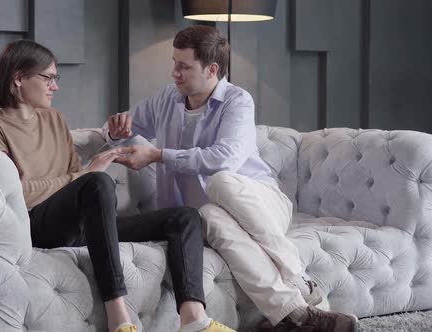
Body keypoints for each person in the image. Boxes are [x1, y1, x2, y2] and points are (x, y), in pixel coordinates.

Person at [0, 39, 235, 332]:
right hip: (33, 224)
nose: (55, 86)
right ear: (18, 78)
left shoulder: (55, 119)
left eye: (56, 79)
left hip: (80, 225)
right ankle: (119, 318)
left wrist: (85, 174)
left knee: (185, 217)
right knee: (97, 180)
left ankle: (193, 320)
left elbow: (73, 176)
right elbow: (10, 194)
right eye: (48, 78)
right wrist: (85, 175)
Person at [105, 25, 358, 332]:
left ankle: (296, 275)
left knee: (221, 181)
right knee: (208, 213)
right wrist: (114, 131)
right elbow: (126, 128)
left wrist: (159, 155)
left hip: (261, 203)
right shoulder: (166, 100)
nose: (174, 72)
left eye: (184, 66)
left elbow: (223, 158)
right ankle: (295, 314)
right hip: (211, 214)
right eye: (174, 63)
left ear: (212, 69)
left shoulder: (237, 100)